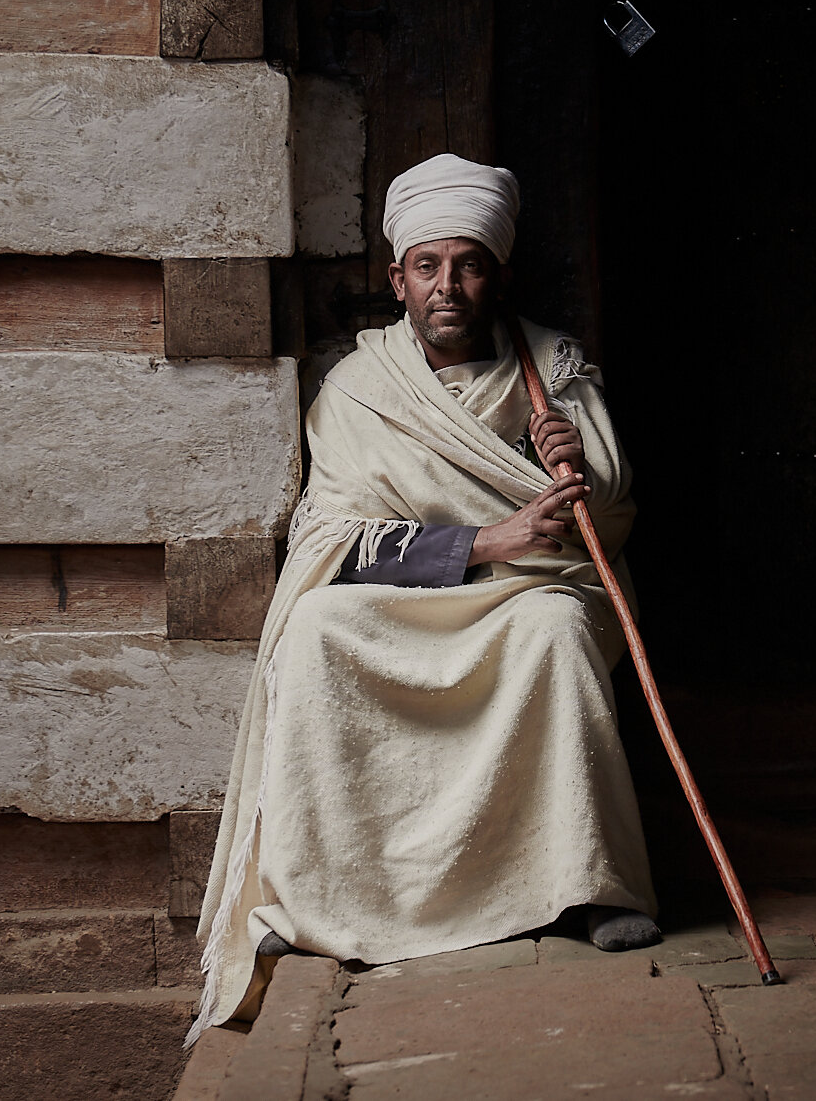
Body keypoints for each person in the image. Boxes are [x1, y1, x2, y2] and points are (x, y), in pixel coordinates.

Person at [187, 153, 659, 1045]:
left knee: (559, 626)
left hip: (529, 596)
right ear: (396, 277)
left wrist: (566, 463)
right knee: (317, 627)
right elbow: (329, 546)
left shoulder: (552, 368)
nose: (449, 285)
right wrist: (488, 539)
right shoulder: (359, 390)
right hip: (419, 596)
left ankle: (590, 882)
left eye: (469, 264)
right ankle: (318, 889)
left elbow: (612, 518)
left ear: (498, 273)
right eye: (429, 266)